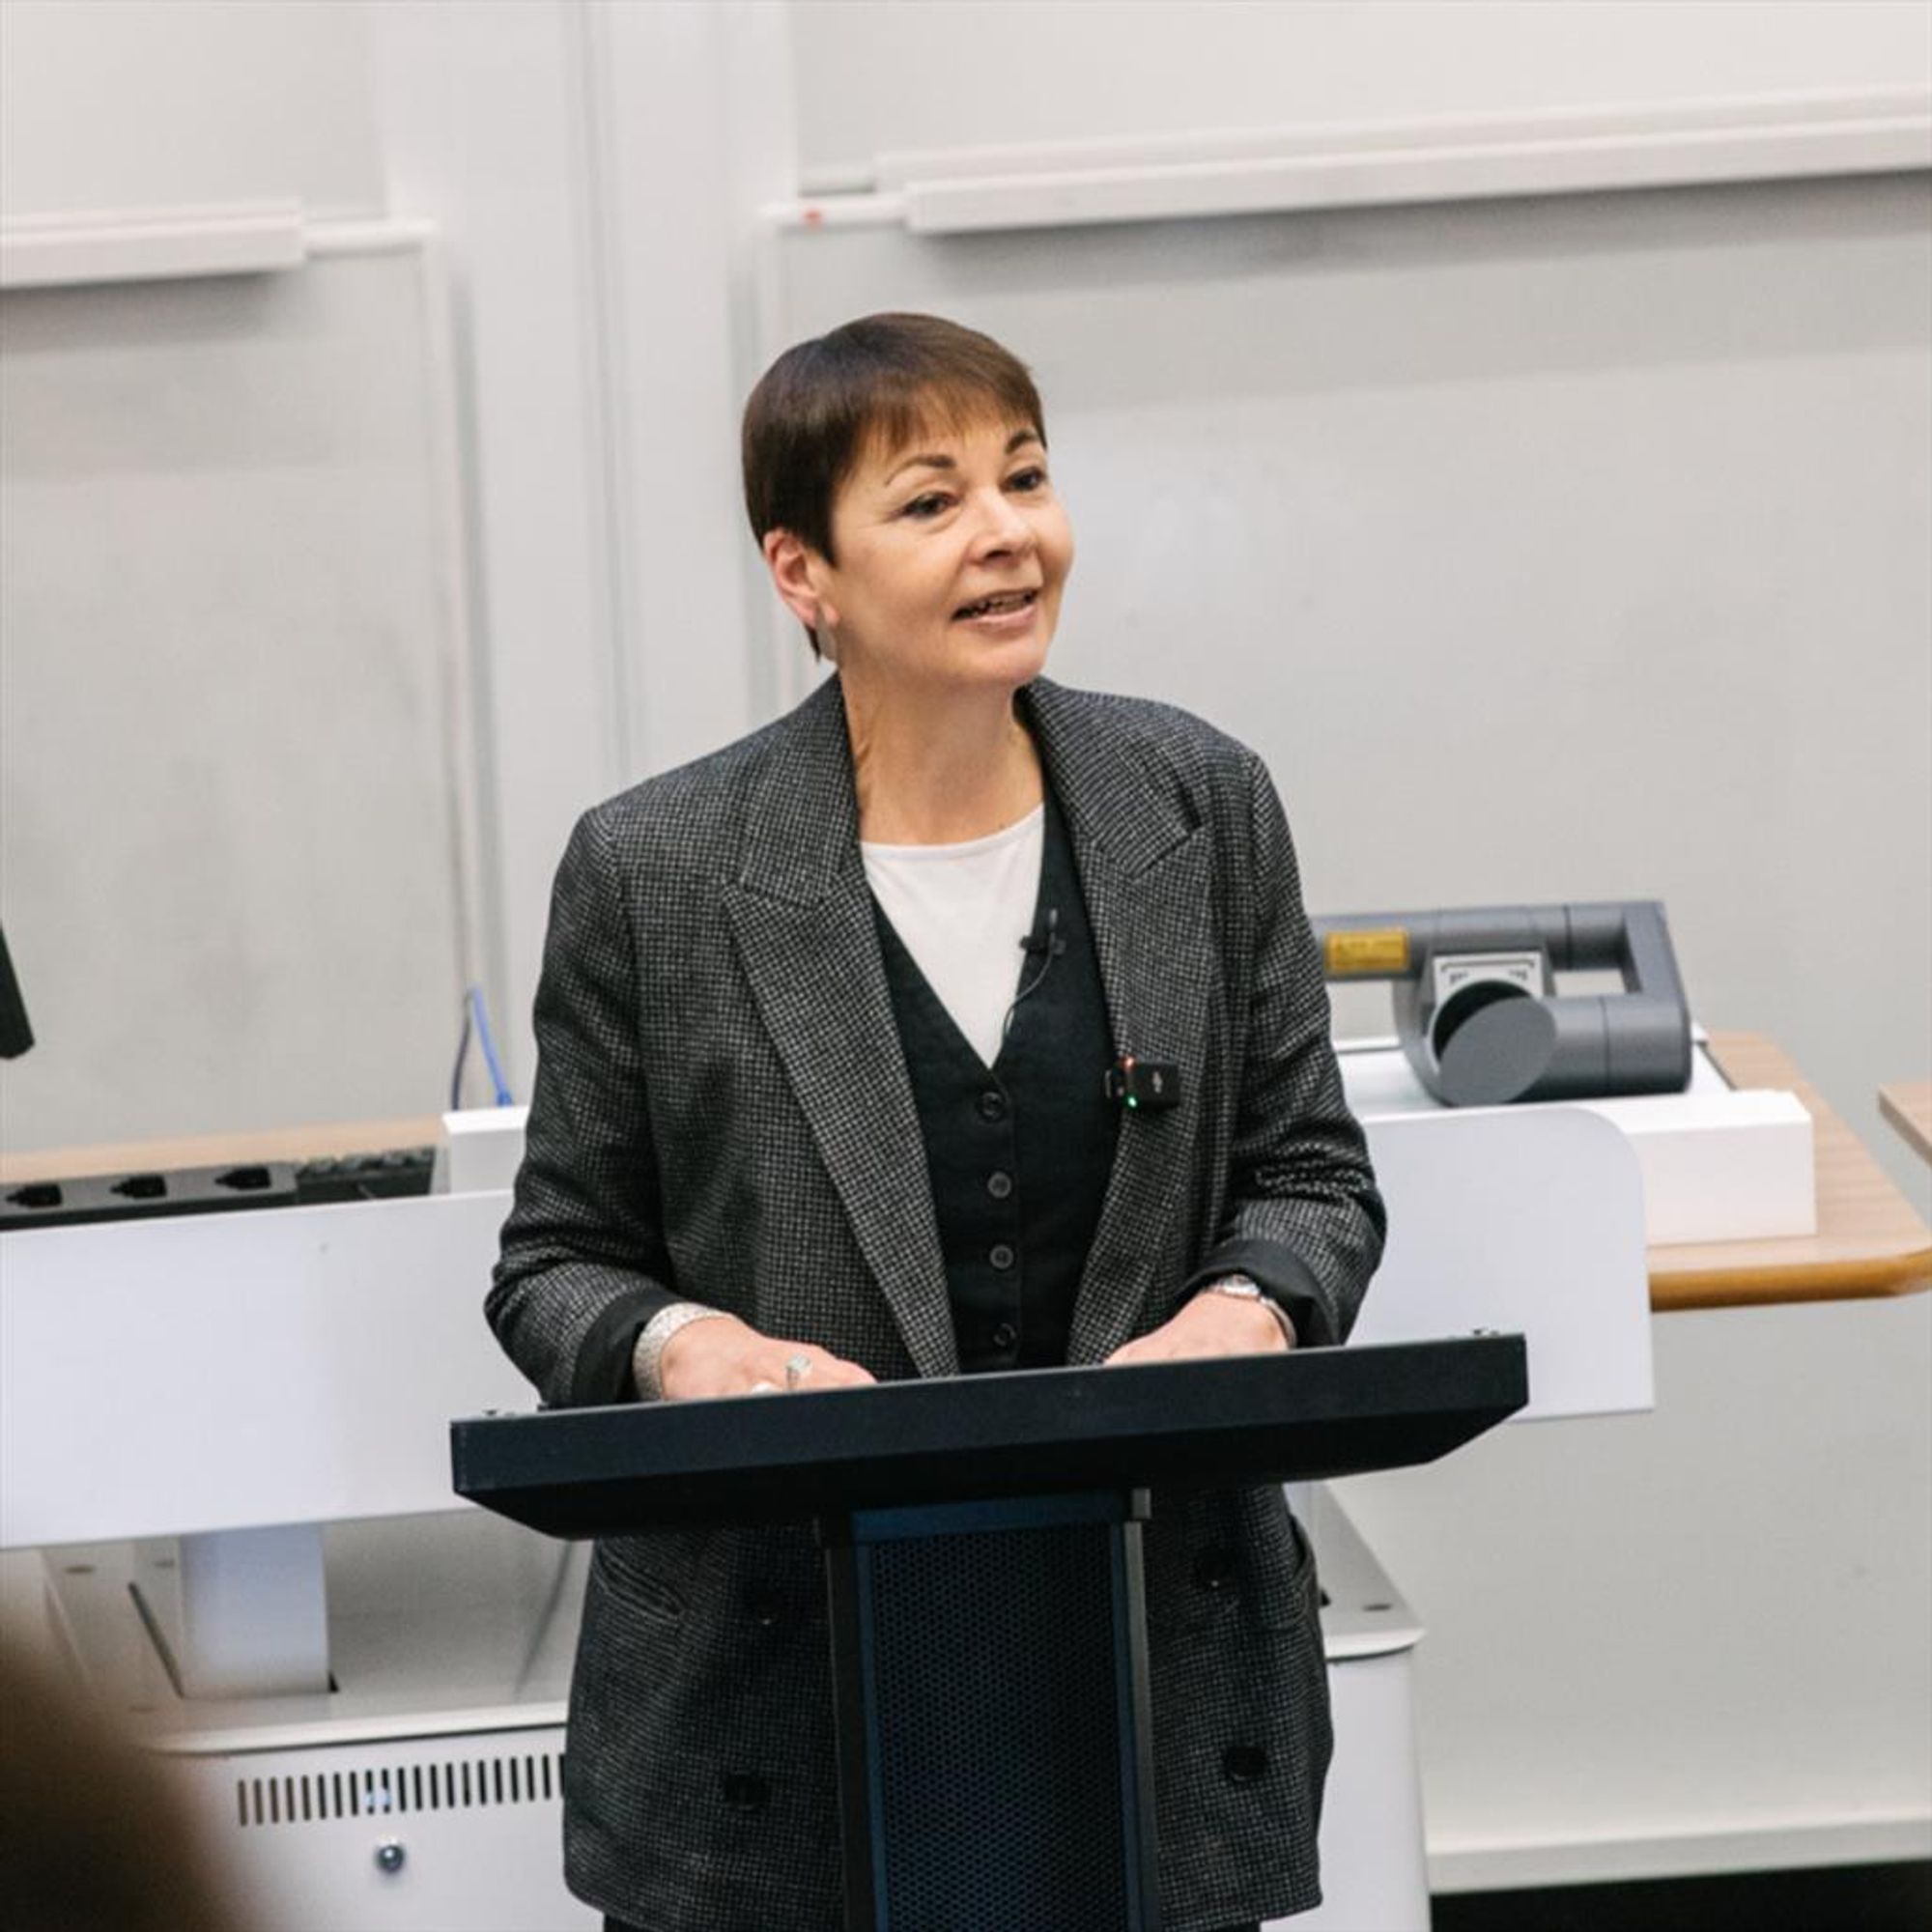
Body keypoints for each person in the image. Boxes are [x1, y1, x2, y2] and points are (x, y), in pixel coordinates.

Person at [489, 312, 1385, 1932]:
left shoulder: (1200, 802)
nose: (1005, 533)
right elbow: (556, 1261)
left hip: (1148, 1649)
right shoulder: (654, 870)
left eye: (1025, 477)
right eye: (930, 500)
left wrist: (1245, 1311)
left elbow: (1314, 1175)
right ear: (801, 573)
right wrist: (685, 1346)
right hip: (774, 1681)